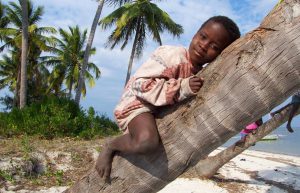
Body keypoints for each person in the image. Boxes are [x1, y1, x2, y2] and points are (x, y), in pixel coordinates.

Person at [96, 16, 241, 180]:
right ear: (195, 33)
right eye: (203, 36)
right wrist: (181, 88)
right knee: (147, 141)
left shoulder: (200, 73)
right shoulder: (172, 55)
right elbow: (139, 85)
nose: (204, 45)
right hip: (136, 104)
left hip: (154, 111)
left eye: (214, 46)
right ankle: (111, 145)